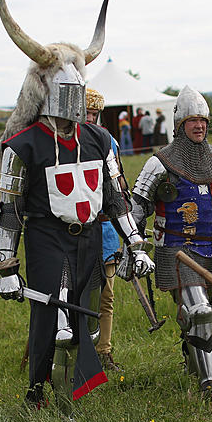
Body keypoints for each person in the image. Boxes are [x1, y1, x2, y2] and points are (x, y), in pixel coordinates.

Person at [0, 0, 153, 422]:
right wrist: (8, 267)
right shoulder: (24, 145)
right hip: (46, 239)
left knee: (80, 318)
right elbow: (10, 210)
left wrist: (135, 245)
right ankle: (57, 408)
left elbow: (117, 197)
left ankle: (55, 394)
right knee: (57, 323)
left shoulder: (100, 139)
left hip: (87, 242)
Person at [131, 86, 212, 401]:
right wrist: (136, 249)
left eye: (203, 121)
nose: (199, 126)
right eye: (192, 121)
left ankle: (192, 355)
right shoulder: (161, 163)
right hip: (178, 251)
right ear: (180, 124)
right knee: (200, 311)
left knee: (196, 313)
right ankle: (210, 383)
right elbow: (136, 209)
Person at [85, 87, 124, 371]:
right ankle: (75, 350)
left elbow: (120, 188)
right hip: (73, 232)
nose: (90, 118)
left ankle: (103, 350)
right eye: (86, 112)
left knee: (106, 295)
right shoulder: (61, 143)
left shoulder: (108, 142)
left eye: (95, 114)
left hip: (106, 229)